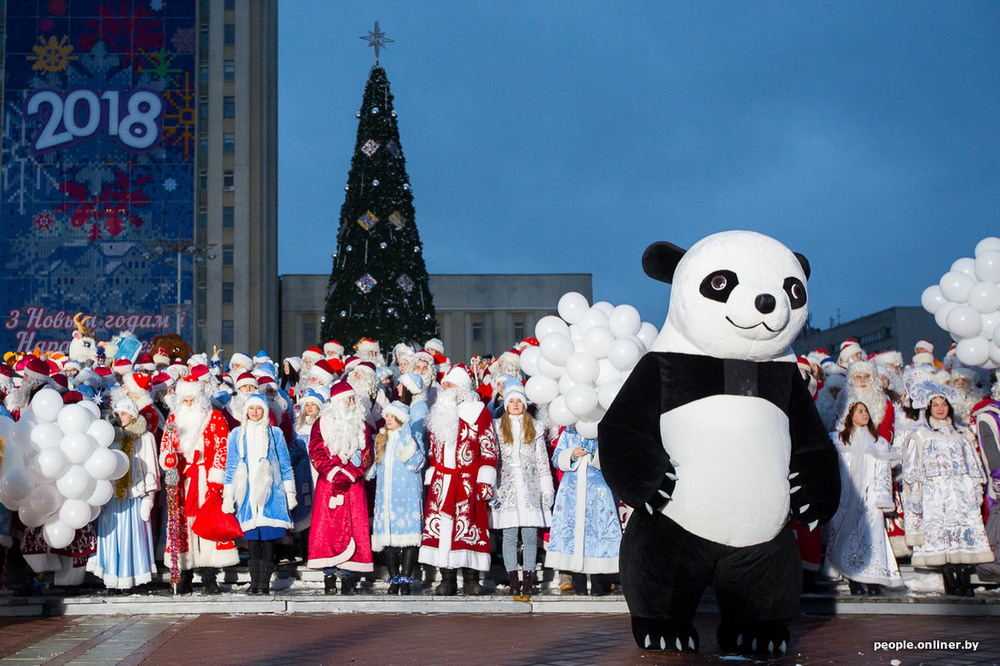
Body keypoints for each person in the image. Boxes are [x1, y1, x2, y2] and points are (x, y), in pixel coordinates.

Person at [902, 389, 993, 596]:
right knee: (940, 533)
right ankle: (949, 579)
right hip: (935, 492)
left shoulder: (962, 434)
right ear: (928, 409)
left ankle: (963, 579)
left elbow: (973, 463)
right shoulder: (920, 435)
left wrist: (976, 487)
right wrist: (916, 491)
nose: (940, 409)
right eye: (936, 405)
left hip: (961, 492)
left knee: (963, 533)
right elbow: (912, 467)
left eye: (943, 405)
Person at [419, 365, 498, 595]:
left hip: (467, 481)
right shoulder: (439, 414)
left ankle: (472, 579)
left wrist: (485, 479)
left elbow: (489, 446)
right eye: (443, 385)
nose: (443, 389)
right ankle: (447, 578)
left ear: (461, 388)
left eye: (449, 385)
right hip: (442, 480)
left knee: (468, 526)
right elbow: (433, 450)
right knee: (443, 528)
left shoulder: (478, 412)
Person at [159, 376, 239, 594]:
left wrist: (217, 478)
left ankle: (209, 575)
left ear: (200, 398)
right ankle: (184, 575)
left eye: (192, 399)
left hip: (206, 476)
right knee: (182, 524)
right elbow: (166, 445)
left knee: (208, 523)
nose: (188, 404)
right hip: (182, 478)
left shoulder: (215, 418)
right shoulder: (173, 418)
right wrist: (168, 459)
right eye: (184, 400)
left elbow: (224, 447)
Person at [824, 402, 903, 595]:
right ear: (849, 415)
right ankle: (853, 579)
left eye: (866, 410)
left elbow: (883, 472)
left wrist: (883, 498)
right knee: (845, 535)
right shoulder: (837, 440)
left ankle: (873, 579)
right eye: (860, 411)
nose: (865, 414)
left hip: (870, 499)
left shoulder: (878, 442)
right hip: (845, 498)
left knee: (871, 536)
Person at [222, 393, 297, 595]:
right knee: (253, 540)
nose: (255, 412)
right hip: (247, 495)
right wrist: (228, 496)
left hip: (271, 494)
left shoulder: (275, 433)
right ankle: (255, 582)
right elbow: (231, 466)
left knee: (269, 539)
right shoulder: (237, 434)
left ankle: (264, 583)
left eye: (259, 409)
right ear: (246, 411)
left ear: (264, 411)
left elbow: (285, 464)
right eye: (251, 409)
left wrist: (290, 493)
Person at [307, 381, 374, 594]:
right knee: (327, 529)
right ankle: (329, 576)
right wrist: (335, 473)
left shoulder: (361, 424)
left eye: (354, 399)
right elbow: (316, 452)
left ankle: (348, 577)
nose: (353, 402)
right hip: (329, 484)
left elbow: (367, 455)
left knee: (355, 527)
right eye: (349, 399)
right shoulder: (322, 423)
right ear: (338, 403)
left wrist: (351, 474)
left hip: (354, 486)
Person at [87, 394, 160, 590]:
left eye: (124, 413)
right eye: (117, 413)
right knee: (111, 535)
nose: (120, 417)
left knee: (133, 537)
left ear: (133, 415)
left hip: (134, 494)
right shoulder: (111, 436)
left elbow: (151, 468)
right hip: (112, 496)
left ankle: (132, 578)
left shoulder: (145, 437)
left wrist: (149, 497)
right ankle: (111, 579)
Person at [491, 386, 554, 595]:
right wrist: (492, 490)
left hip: (530, 487)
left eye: (519, 401)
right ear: (506, 405)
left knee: (529, 536)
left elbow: (542, 461)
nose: (516, 405)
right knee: (509, 536)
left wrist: (546, 488)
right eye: (511, 402)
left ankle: (528, 577)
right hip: (506, 489)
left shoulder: (534, 427)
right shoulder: (498, 428)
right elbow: (494, 460)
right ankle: (513, 579)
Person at [545, 426, 621, 595]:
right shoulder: (569, 432)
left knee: (598, 531)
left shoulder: (602, 432)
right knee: (574, 532)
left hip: (598, 489)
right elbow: (557, 458)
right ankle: (578, 584)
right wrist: (571, 454)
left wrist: (594, 456)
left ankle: (599, 584)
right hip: (572, 489)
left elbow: (612, 456)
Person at [368, 401, 426, 594]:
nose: (389, 420)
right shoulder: (382, 438)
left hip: (407, 494)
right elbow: (374, 468)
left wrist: (407, 441)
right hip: (386, 495)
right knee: (389, 538)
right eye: (387, 417)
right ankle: (394, 578)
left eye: (392, 417)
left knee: (408, 538)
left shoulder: (411, 437)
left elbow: (417, 463)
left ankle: (406, 579)